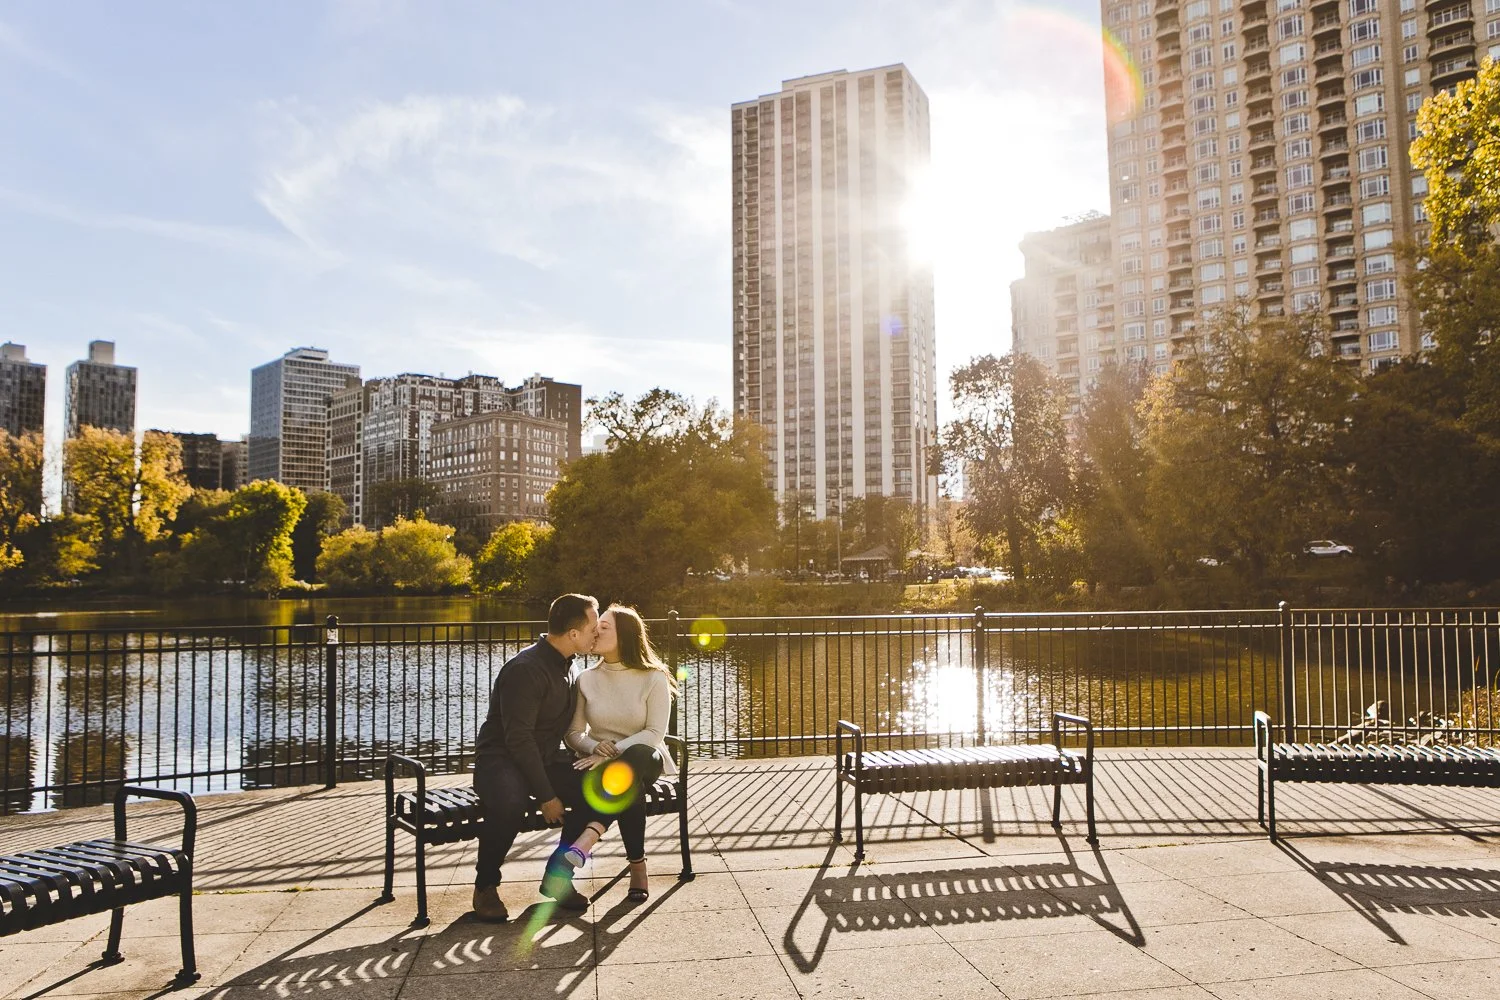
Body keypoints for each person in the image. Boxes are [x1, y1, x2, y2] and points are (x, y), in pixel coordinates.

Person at [470, 593, 600, 922]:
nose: (596, 633)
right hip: (499, 760)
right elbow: (519, 739)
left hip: (541, 758)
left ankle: (558, 877)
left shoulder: (568, 665)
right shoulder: (525, 669)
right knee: (510, 802)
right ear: (573, 634)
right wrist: (547, 796)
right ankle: (485, 885)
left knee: (595, 788)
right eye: (593, 628)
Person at [557, 604, 676, 902]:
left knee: (634, 759)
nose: (595, 631)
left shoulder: (654, 676)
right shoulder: (586, 678)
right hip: (602, 766)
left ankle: (590, 836)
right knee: (627, 787)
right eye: (595, 626)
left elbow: (654, 733)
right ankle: (638, 867)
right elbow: (573, 733)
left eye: (604, 627)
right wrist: (593, 747)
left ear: (624, 635)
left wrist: (612, 752)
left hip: (644, 758)